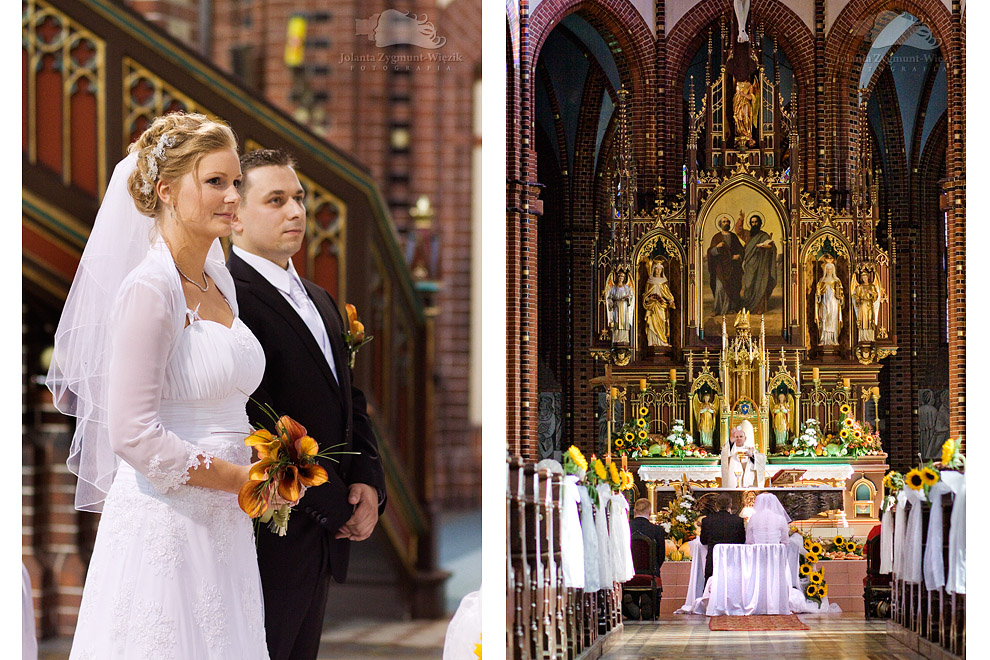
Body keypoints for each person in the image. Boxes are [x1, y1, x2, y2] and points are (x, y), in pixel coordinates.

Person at [47, 113, 270, 658]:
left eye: (236, 181)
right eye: (214, 181)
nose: (232, 196)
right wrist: (237, 478)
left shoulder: (218, 278)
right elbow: (133, 434)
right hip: (168, 522)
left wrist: (270, 461)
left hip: (227, 524)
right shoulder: (149, 289)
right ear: (166, 190)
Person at [228, 148, 387, 660]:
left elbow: (350, 400)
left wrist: (369, 480)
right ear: (235, 217)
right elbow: (258, 413)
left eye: (298, 198)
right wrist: (334, 505)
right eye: (275, 200)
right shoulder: (228, 296)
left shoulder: (320, 297)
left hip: (322, 530)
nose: (296, 212)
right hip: (273, 529)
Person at [699, 493, 746, 585]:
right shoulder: (738, 521)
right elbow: (742, 540)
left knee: (711, 586)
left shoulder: (707, 520)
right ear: (730, 505)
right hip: (733, 561)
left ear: (716, 505)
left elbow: (703, 541)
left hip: (713, 561)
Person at [707, 214, 744, 315]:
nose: (726, 223)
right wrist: (717, 247)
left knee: (732, 287)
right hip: (720, 267)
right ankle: (717, 309)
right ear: (720, 224)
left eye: (727, 222)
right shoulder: (717, 237)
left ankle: (730, 308)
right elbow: (711, 252)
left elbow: (741, 250)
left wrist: (738, 256)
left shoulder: (733, 237)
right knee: (719, 288)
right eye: (724, 222)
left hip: (732, 266)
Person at [740, 214, 776, 313]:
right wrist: (741, 219)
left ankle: (759, 308)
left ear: (759, 223)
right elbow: (739, 231)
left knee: (760, 285)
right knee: (748, 285)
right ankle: (748, 306)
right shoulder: (748, 234)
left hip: (761, 264)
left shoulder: (764, 236)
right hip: (749, 264)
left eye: (756, 222)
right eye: (752, 222)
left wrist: (765, 247)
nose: (754, 224)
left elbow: (772, 247)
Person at [720, 421, 766, 488]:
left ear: (745, 438)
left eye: (741, 436)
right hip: (733, 477)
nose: (739, 438)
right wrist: (731, 439)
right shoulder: (731, 449)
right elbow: (724, 453)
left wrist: (752, 456)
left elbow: (761, 459)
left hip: (748, 477)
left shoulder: (751, 449)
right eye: (737, 437)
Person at [643, 259, 676, 347]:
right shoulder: (649, 282)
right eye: (656, 269)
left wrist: (671, 300)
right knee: (652, 322)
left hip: (661, 306)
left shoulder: (664, 282)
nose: (658, 271)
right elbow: (645, 295)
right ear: (654, 269)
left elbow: (668, 294)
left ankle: (662, 341)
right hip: (652, 306)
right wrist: (649, 298)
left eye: (660, 269)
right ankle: (652, 341)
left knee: (662, 322)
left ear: (662, 270)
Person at [815, 257, 843, 345]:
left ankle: (833, 339)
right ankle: (824, 339)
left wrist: (840, 298)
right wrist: (818, 296)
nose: (829, 271)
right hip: (825, 303)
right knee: (824, 319)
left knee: (833, 320)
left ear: (833, 270)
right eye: (827, 269)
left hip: (834, 304)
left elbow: (841, 294)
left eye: (831, 269)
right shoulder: (822, 281)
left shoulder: (837, 281)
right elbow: (818, 295)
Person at [605, 269, 634, 344]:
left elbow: (631, 297)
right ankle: (617, 338)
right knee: (617, 322)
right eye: (619, 277)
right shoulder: (613, 288)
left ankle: (624, 338)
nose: (621, 278)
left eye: (622, 277)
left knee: (624, 323)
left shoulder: (626, 288)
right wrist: (611, 302)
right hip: (616, 306)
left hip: (624, 306)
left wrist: (628, 298)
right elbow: (609, 297)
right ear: (617, 277)